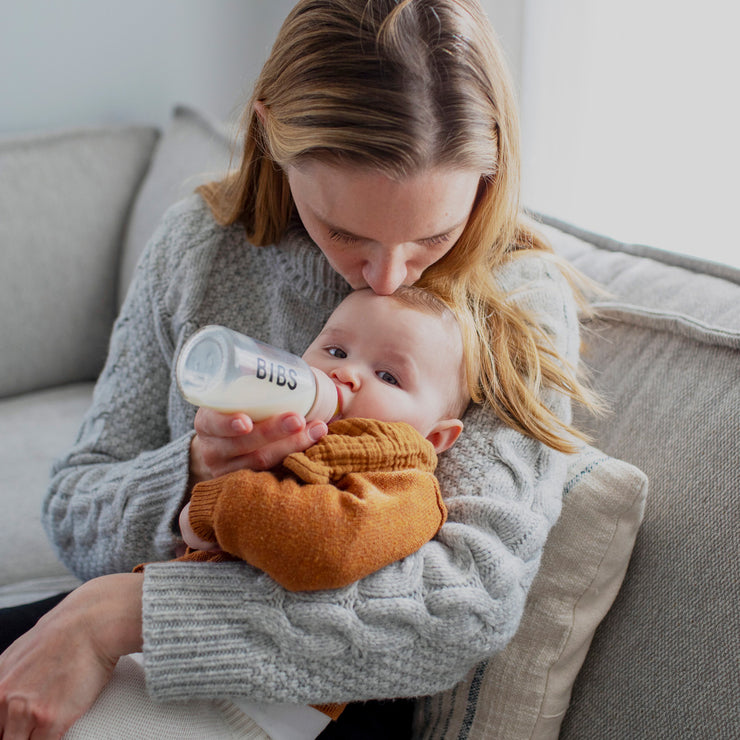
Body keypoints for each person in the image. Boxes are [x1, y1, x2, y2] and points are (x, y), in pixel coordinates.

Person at [0, 1, 599, 737]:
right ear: (269, 136)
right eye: (343, 231)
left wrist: (123, 616)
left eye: (432, 236)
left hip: (321, 696)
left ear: (491, 167)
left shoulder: (516, 297)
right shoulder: (201, 244)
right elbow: (73, 506)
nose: (383, 278)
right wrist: (193, 472)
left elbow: (466, 603)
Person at [133, 285, 469, 737]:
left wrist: (213, 505)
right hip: (169, 651)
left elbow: (328, 545)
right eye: (335, 349)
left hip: (251, 706)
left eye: (388, 376)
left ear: (435, 438)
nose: (345, 373)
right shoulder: (287, 433)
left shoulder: (406, 486)